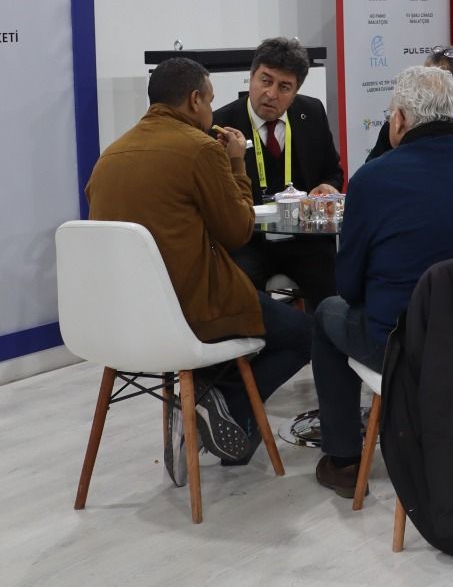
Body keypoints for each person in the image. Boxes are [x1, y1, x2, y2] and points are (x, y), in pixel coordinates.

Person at [87, 57, 312, 481]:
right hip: (190, 310)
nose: (211, 110)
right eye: (209, 101)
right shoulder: (200, 149)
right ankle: (222, 405)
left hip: (124, 318)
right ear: (194, 101)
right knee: (305, 334)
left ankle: (216, 409)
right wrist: (236, 163)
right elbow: (238, 231)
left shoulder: (109, 156)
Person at [310, 65, 453, 498]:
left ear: (399, 120)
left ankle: (344, 460)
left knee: (326, 314)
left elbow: (349, 287)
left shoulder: (372, 179)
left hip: (410, 345)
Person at [212, 37, 345, 306]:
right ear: (251, 76)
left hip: (304, 239)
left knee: (332, 279)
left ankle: (321, 332)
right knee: (241, 287)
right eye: (265, 80)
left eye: (284, 87)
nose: (271, 94)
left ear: (296, 91)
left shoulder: (312, 112)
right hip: (249, 242)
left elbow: (332, 172)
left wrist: (327, 186)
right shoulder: (221, 123)